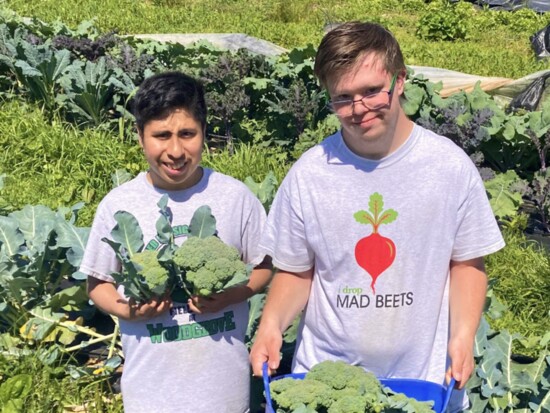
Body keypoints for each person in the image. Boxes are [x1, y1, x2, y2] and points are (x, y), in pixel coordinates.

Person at [250, 21, 504, 412]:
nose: (359, 109)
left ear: (399, 80)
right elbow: (297, 271)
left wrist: (464, 335)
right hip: (324, 385)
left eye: (371, 91)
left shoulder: (448, 167)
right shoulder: (311, 173)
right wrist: (271, 324)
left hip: (423, 381)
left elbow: (468, 263)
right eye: (343, 98)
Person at [79, 71, 272, 413]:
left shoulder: (234, 197)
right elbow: (98, 284)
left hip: (225, 394)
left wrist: (231, 295)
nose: (175, 150)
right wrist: (128, 310)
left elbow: (264, 268)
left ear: (203, 132)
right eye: (161, 135)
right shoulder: (118, 205)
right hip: (150, 395)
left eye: (187, 134)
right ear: (140, 137)